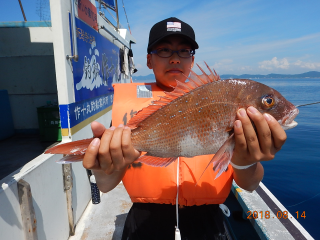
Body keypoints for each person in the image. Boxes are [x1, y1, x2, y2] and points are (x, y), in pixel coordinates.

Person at [83, 17, 287, 240]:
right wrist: (103, 170)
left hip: (208, 221)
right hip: (144, 221)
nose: (174, 59)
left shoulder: (229, 110)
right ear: (149, 60)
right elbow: (105, 185)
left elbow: (250, 184)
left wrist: (245, 160)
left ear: (192, 60)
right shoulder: (129, 116)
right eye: (164, 50)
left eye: (184, 51)